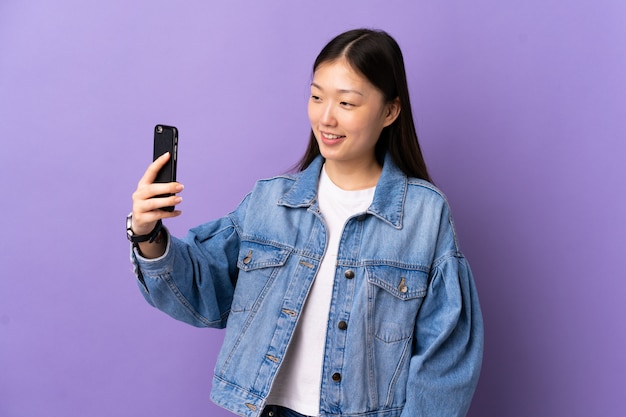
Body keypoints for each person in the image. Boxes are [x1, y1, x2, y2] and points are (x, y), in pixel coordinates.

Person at [127, 28, 483, 417]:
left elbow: (446, 358)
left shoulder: (424, 215)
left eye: (347, 102)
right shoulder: (270, 201)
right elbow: (202, 292)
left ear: (390, 111)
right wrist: (148, 234)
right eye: (316, 97)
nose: (326, 117)